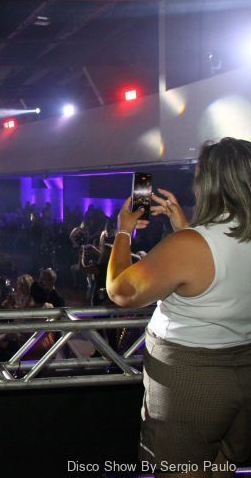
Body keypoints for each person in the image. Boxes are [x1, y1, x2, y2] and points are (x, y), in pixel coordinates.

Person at [106, 137, 251, 478]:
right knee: (222, 466)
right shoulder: (201, 240)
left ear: (209, 184)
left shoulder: (190, 245)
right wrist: (188, 230)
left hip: (191, 379)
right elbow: (222, 276)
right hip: (243, 371)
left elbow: (121, 291)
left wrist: (123, 232)